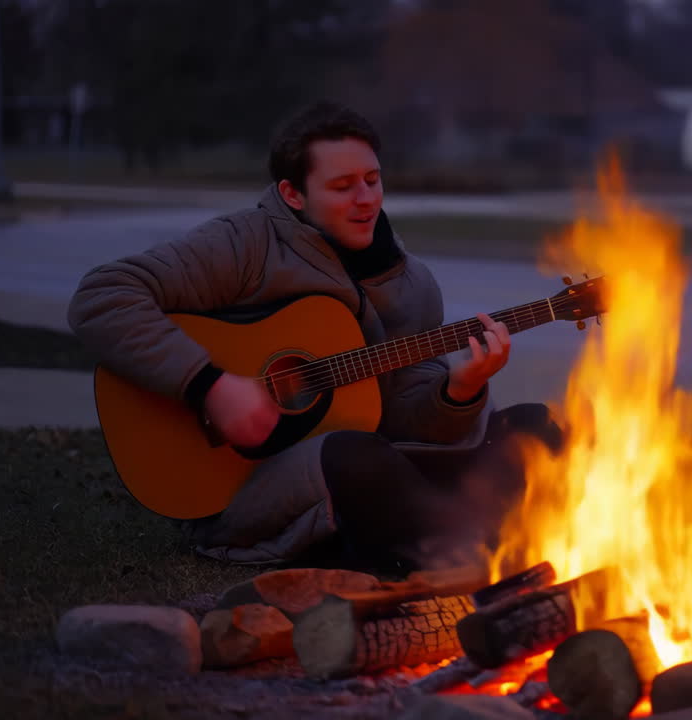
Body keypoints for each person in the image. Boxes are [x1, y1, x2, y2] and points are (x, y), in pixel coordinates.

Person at [68, 100, 560, 574]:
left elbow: (412, 423)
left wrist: (459, 392)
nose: (366, 199)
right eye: (343, 186)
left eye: (372, 180)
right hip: (248, 483)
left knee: (532, 427)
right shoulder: (247, 244)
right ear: (293, 194)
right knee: (354, 456)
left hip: (382, 461)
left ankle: (465, 537)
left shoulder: (413, 285)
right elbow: (102, 296)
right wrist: (209, 385)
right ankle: (465, 546)